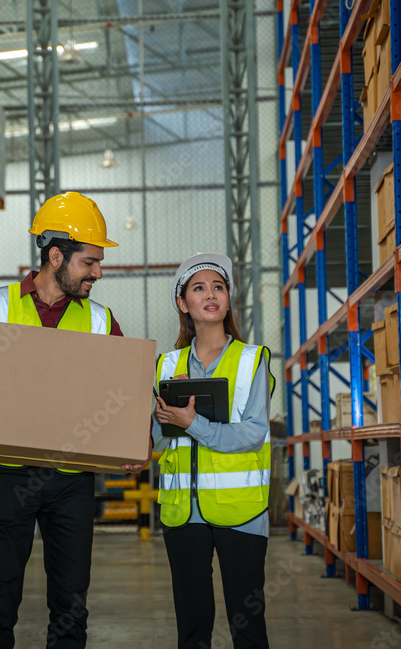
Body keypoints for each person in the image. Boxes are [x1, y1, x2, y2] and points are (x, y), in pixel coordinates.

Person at [0, 192, 149, 649]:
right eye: (90, 262)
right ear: (55, 256)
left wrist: (136, 440)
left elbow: (126, 394)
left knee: (70, 605)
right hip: (8, 476)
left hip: (72, 482)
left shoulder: (102, 321)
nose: (98, 273)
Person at [152, 253, 274, 649]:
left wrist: (193, 424)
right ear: (183, 303)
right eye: (198, 288)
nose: (210, 295)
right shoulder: (165, 366)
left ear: (227, 300)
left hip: (241, 512)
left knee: (248, 624)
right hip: (182, 511)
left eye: (218, 287)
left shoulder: (251, 358)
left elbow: (254, 433)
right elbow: (155, 436)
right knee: (192, 622)